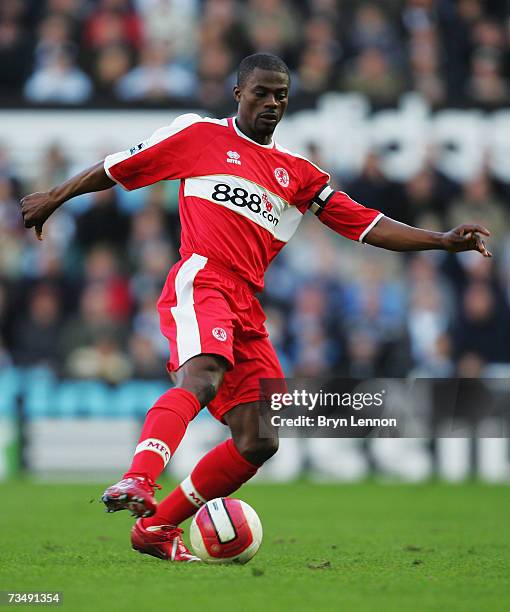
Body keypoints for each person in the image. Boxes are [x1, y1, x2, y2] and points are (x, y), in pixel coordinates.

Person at [20, 53, 491, 563]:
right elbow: (115, 169)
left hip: (247, 302)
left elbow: (366, 224)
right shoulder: (197, 136)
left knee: (261, 436)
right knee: (202, 375)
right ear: (237, 93)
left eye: (281, 95)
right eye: (261, 92)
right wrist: (55, 196)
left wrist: (441, 240)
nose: (272, 103)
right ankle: (139, 476)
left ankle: (155, 528)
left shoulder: (299, 173)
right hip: (202, 279)